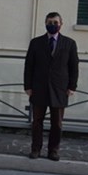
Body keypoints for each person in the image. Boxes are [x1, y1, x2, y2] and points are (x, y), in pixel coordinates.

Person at [23, 11, 79, 161]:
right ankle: (36, 149)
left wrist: (72, 86)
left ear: (61, 24)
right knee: (37, 122)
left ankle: (53, 151)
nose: (52, 25)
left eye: (55, 23)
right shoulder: (36, 42)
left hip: (59, 89)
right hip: (39, 88)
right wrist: (27, 86)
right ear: (45, 23)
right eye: (49, 22)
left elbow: (74, 67)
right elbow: (29, 65)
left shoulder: (69, 43)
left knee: (57, 123)